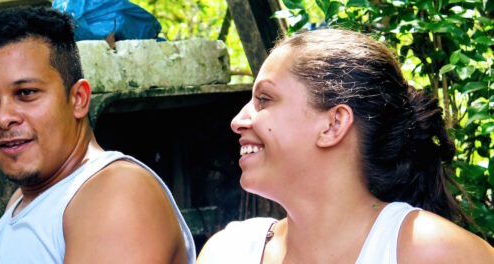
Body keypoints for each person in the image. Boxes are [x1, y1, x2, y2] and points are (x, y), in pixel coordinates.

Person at [0, 6, 195, 264]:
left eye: (26, 93)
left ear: (78, 99)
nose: (3, 117)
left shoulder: (116, 192)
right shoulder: (29, 196)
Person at [197, 29, 494, 263]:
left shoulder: (434, 252)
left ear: (333, 124)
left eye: (264, 99)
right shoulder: (227, 253)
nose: (238, 121)